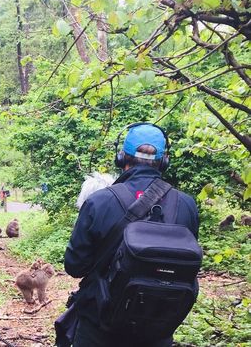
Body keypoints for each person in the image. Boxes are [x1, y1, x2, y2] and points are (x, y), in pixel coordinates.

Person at [63, 123, 199, 347]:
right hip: (158, 326)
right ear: (164, 161)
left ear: (121, 157)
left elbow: (74, 266)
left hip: (99, 324)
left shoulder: (100, 201)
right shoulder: (185, 204)